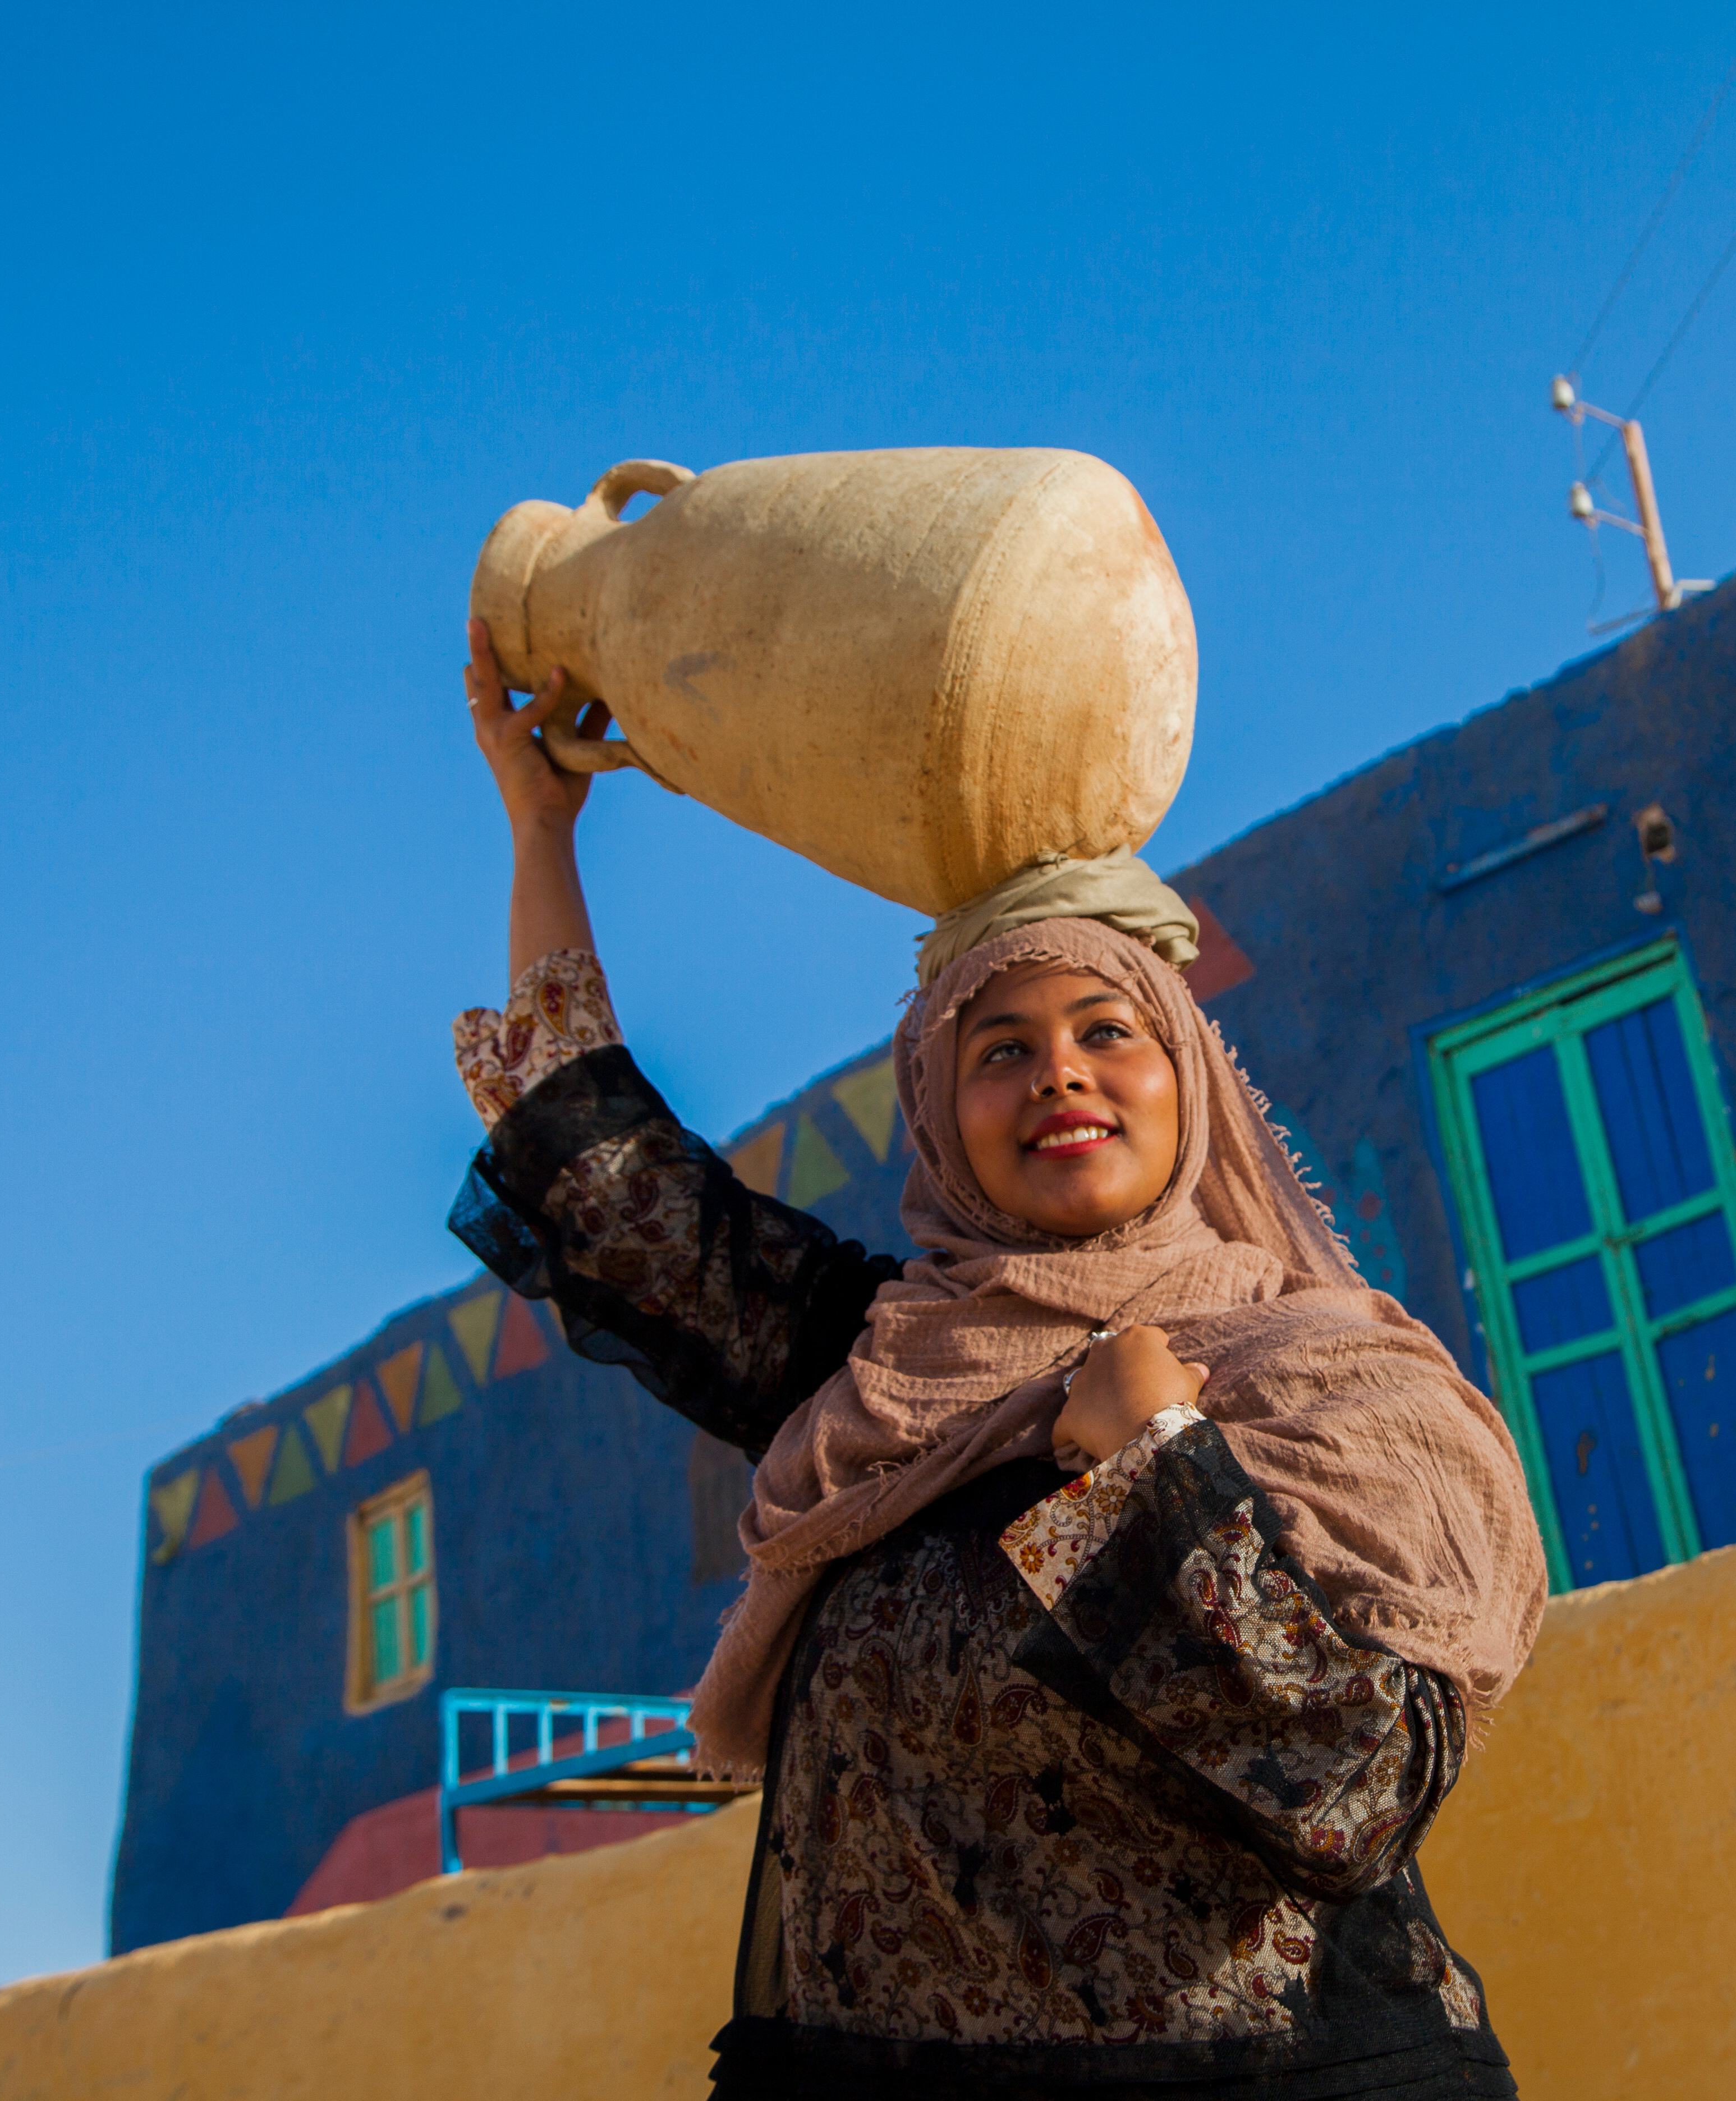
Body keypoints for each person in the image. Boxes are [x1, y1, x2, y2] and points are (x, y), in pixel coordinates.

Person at [447, 623, 1549, 2100]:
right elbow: (617, 1190)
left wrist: (1160, 1475)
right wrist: (541, 825)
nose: (1062, 1075)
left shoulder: (1333, 1380)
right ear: (937, 1115)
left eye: (1109, 1030)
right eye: (998, 1050)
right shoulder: (890, 1370)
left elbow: (1353, 1783)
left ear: (1189, 1082)